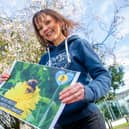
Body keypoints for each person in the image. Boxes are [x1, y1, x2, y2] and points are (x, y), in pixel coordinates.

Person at [0, 8, 111, 129]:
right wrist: (9, 81)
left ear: (59, 21)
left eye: (48, 22)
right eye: (40, 28)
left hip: (87, 119)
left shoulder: (78, 44)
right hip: (59, 124)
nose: (45, 29)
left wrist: (88, 91)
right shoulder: (44, 60)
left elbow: (103, 76)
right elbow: (37, 89)